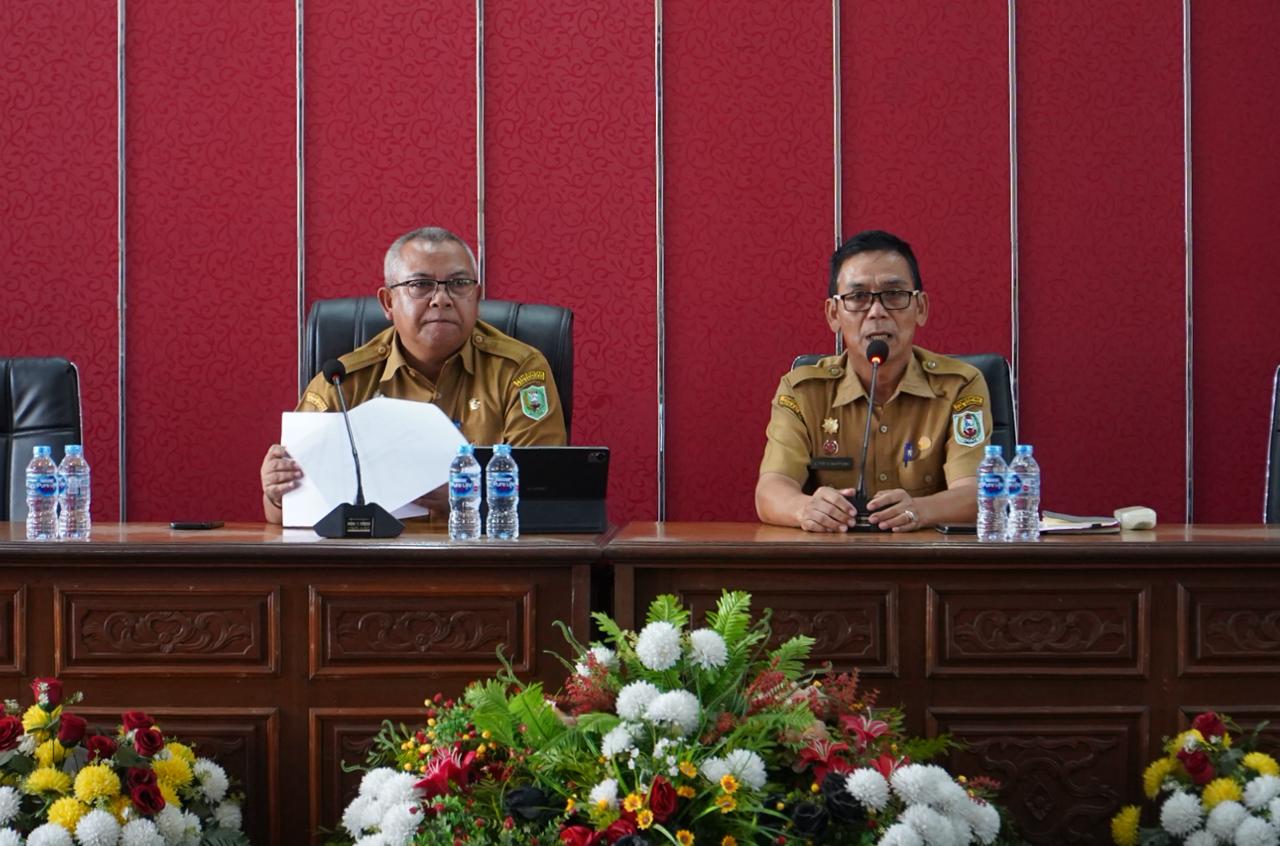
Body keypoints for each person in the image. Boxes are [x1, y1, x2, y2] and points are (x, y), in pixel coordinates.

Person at [260, 226, 566, 523]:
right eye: (421, 285)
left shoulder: (518, 370)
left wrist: (467, 496)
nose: (441, 298)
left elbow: (547, 490)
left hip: (482, 552)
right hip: (372, 555)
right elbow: (287, 513)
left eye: (459, 283)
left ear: (476, 298)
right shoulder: (343, 380)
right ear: (388, 302)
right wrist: (277, 492)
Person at [755, 229, 992, 533]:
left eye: (894, 295)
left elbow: (976, 494)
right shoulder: (802, 391)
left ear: (921, 308)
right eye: (858, 297)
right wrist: (804, 508)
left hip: (928, 557)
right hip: (834, 556)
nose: (877, 312)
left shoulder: (959, 386)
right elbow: (771, 490)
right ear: (833, 314)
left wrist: (920, 510)